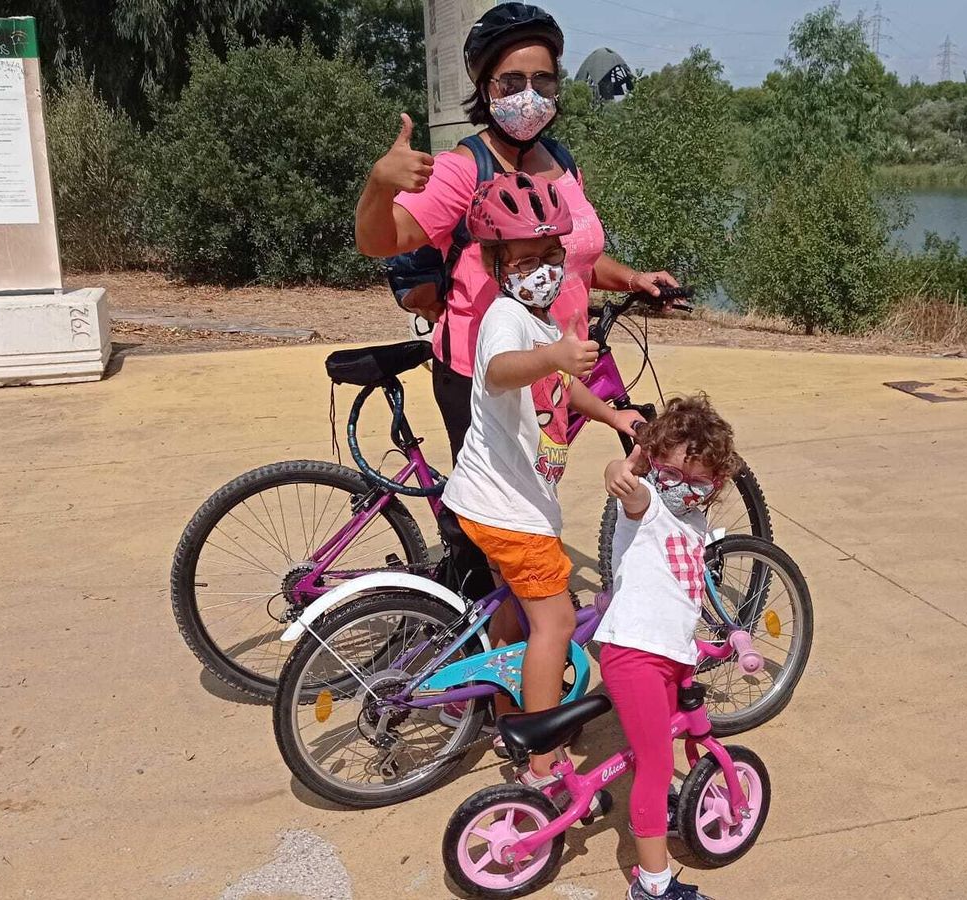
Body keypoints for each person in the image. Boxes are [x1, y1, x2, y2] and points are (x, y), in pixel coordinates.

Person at [355, 2, 676, 459]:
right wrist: (379, 182)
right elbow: (377, 242)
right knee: (492, 521)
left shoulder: (562, 164)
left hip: (552, 366)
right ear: (486, 89)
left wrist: (633, 279)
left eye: (542, 80)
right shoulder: (463, 170)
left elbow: (575, 256)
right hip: (483, 375)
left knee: (535, 500)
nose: (530, 94)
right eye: (512, 82)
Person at [440, 171, 643, 785]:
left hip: (498, 498)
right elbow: (502, 371)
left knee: (511, 610)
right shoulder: (506, 317)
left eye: (553, 255)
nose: (545, 268)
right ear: (497, 264)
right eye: (527, 258)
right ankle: (542, 760)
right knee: (552, 621)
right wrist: (554, 354)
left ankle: (504, 707)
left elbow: (567, 387)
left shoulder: (541, 317)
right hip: (508, 507)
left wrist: (613, 412)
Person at [596, 394, 743, 900]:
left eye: (697, 482)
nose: (682, 489)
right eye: (671, 473)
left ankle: (658, 813)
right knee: (657, 766)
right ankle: (653, 887)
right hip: (635, 653)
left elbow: (677, 593)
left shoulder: (694, 522)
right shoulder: (650, 504)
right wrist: (626, 465)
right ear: (656, 467)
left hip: (665, 654)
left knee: (651, 754)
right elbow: (630, 490)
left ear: (716, 484)